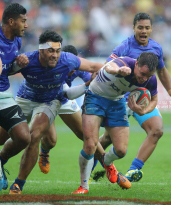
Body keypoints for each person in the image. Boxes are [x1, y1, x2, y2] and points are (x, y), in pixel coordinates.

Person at [93, 12, 171, 183]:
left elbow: (162, 71)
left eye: (147, 28)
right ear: (134, 28)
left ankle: (133, 170)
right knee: (108, 139)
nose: (143, 31)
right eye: (140, 27)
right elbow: (108, 66)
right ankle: (93, 165)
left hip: (142, 97)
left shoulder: (156, 48)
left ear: (151, 29)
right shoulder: (124, 47)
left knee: (157, 130)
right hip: (121, 98)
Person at [7, 30, 104, 194]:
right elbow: (8, 69)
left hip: (59, 98)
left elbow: (87, 80)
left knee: (85, 133)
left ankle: (109, 165)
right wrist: (17, 64)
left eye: (57, 51)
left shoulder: (71, 63)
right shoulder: (31, 60)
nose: (55, 55)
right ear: (41, 51)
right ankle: (7, 159)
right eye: (51, 50)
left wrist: (113, 71)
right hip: (32, 96)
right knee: (48, 139)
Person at [72, 52, 159, 194]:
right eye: (142, 74)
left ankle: (106, 162)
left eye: (148, 76)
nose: (144, 79)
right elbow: (109, 67)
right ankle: (84, 186)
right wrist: (118, 71)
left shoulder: (150, 79)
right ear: (136, 64)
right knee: (90, 144)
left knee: (121, 150)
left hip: (117, 103)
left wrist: (143, 111)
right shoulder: (124, 63)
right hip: (95, 97)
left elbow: (154, 99)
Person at [38, 45, 92, 174]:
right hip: (46, 99)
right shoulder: (49, 66)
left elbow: (92, 81)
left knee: (87, 135)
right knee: (51, 141)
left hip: (65, 95)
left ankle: (108, 166)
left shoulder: (77, 65)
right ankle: (44, 152)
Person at [0, 3, 31, 191]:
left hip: (4, 94)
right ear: (11, 22)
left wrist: (18, 65)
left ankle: (1, 159)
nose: (25, 25)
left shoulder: (17, 42)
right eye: (23, 21)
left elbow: (6, 71)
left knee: (23, 137)